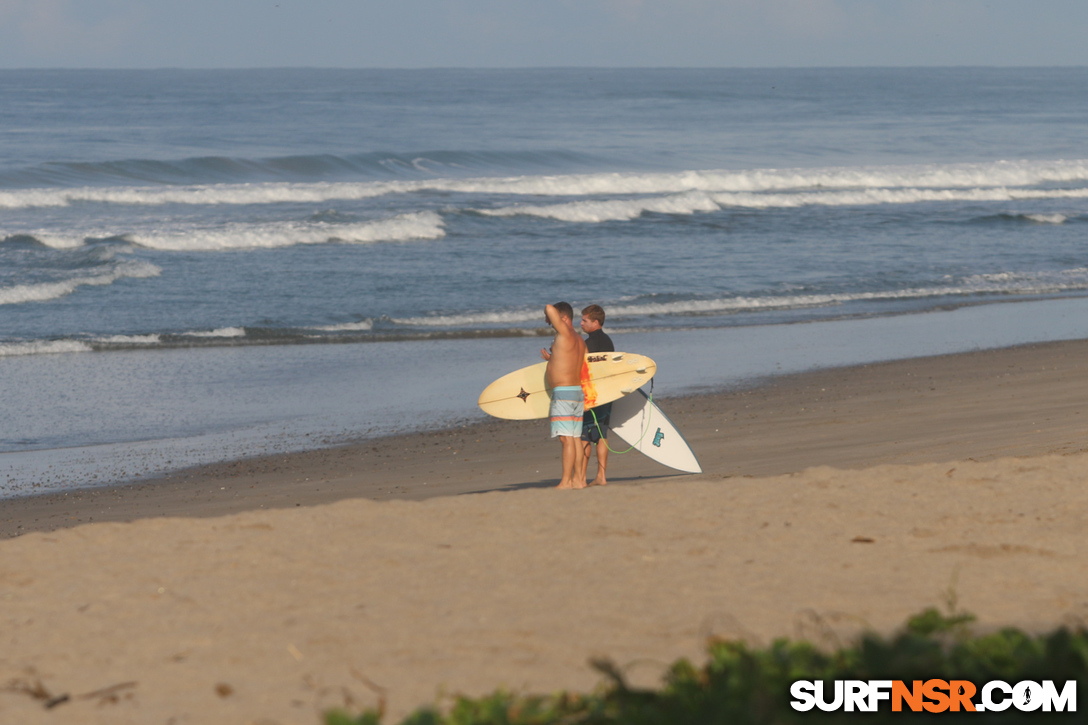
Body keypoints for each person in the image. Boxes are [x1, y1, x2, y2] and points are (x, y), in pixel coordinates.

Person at [541, 302, 588, 489]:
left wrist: (549, 314)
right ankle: (578, 480)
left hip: (563, 394)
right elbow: (574, 361)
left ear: (564, 318)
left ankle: (566, 481)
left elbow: (549, 307)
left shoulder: (565, 333)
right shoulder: (579, 340)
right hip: (576, 392)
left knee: (566, 438)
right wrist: (552, 359)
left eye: (550, 320)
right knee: (575, 437)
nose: (547, 321)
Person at [579, 304, 614, 486]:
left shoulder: (588, 344)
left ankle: (581, 478)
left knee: (584, 435)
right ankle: (601, 476)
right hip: (607, 392)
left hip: (591, 394)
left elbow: (583, 368)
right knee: (601, 433)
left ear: (596, 322)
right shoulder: (608, 341)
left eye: (585, 320)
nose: (581, 323)